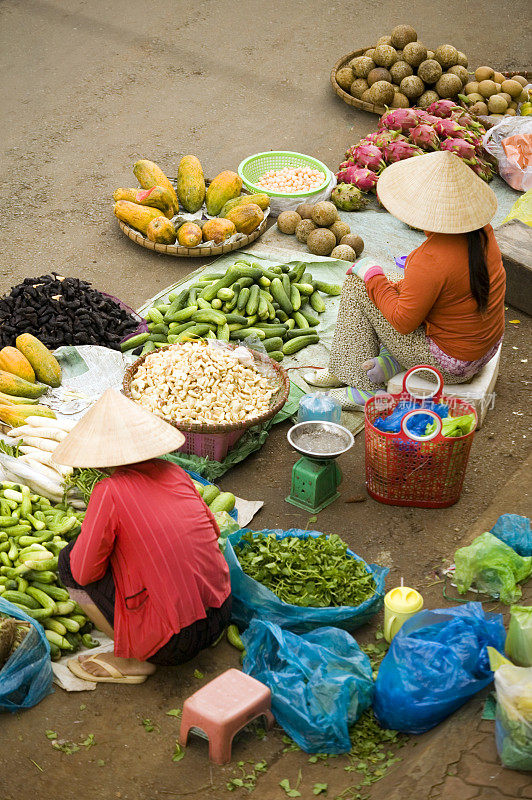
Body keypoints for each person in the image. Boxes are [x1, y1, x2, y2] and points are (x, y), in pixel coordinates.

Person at [53, 389, 231, 685]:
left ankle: (131, 660)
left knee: (68, 562)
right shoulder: (176, 472)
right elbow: (212, 532)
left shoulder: (109, 490)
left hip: (173, 646)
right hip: (221, 613)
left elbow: (85, 572)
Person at [305, 151, 506, 409]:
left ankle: (363, 389)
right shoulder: (483, 232)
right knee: (390, 281)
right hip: (481, 349)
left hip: (450, 366)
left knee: (359, 284)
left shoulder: (430, 259)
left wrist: (372, 276)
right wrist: (384, 281)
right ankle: (350, 364)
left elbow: (403, 322)